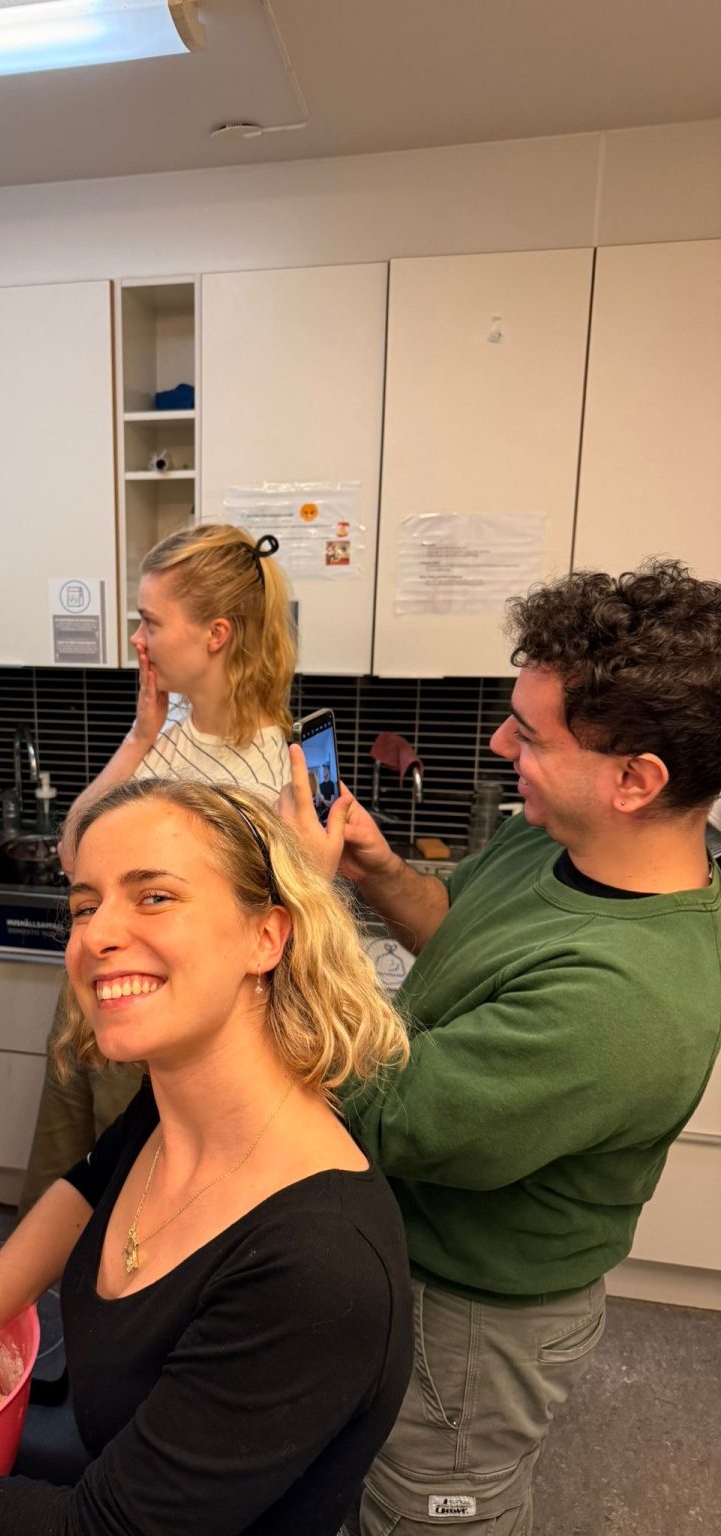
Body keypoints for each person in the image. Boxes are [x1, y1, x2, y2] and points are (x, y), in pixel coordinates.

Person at [0, 777, 414, 1535]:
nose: (96, 936)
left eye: (154, 897)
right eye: (84, 906)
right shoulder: (172, 1106)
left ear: (266, 937)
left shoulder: (317, 1268)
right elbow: (87, 1187)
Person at [286, 559, 721, 1535]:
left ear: (636, 780)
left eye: (530, 734)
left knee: (436, 1507)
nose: (497, 744)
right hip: (415, 1256)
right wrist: (373, 869)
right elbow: (455, 926)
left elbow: (393, 1117)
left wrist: (303, 904)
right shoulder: (557, 841)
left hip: (474, 1320)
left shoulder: (626, 998)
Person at [18, 523, 297, 1214]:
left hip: (161, 1025)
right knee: (68, 1185)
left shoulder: (271, 773)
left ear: (216, 634)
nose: (137, 640)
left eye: (151, 622)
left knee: (132, 1202)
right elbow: (74, 850)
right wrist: (143, 733)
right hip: (100, 994)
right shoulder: (172, 735)